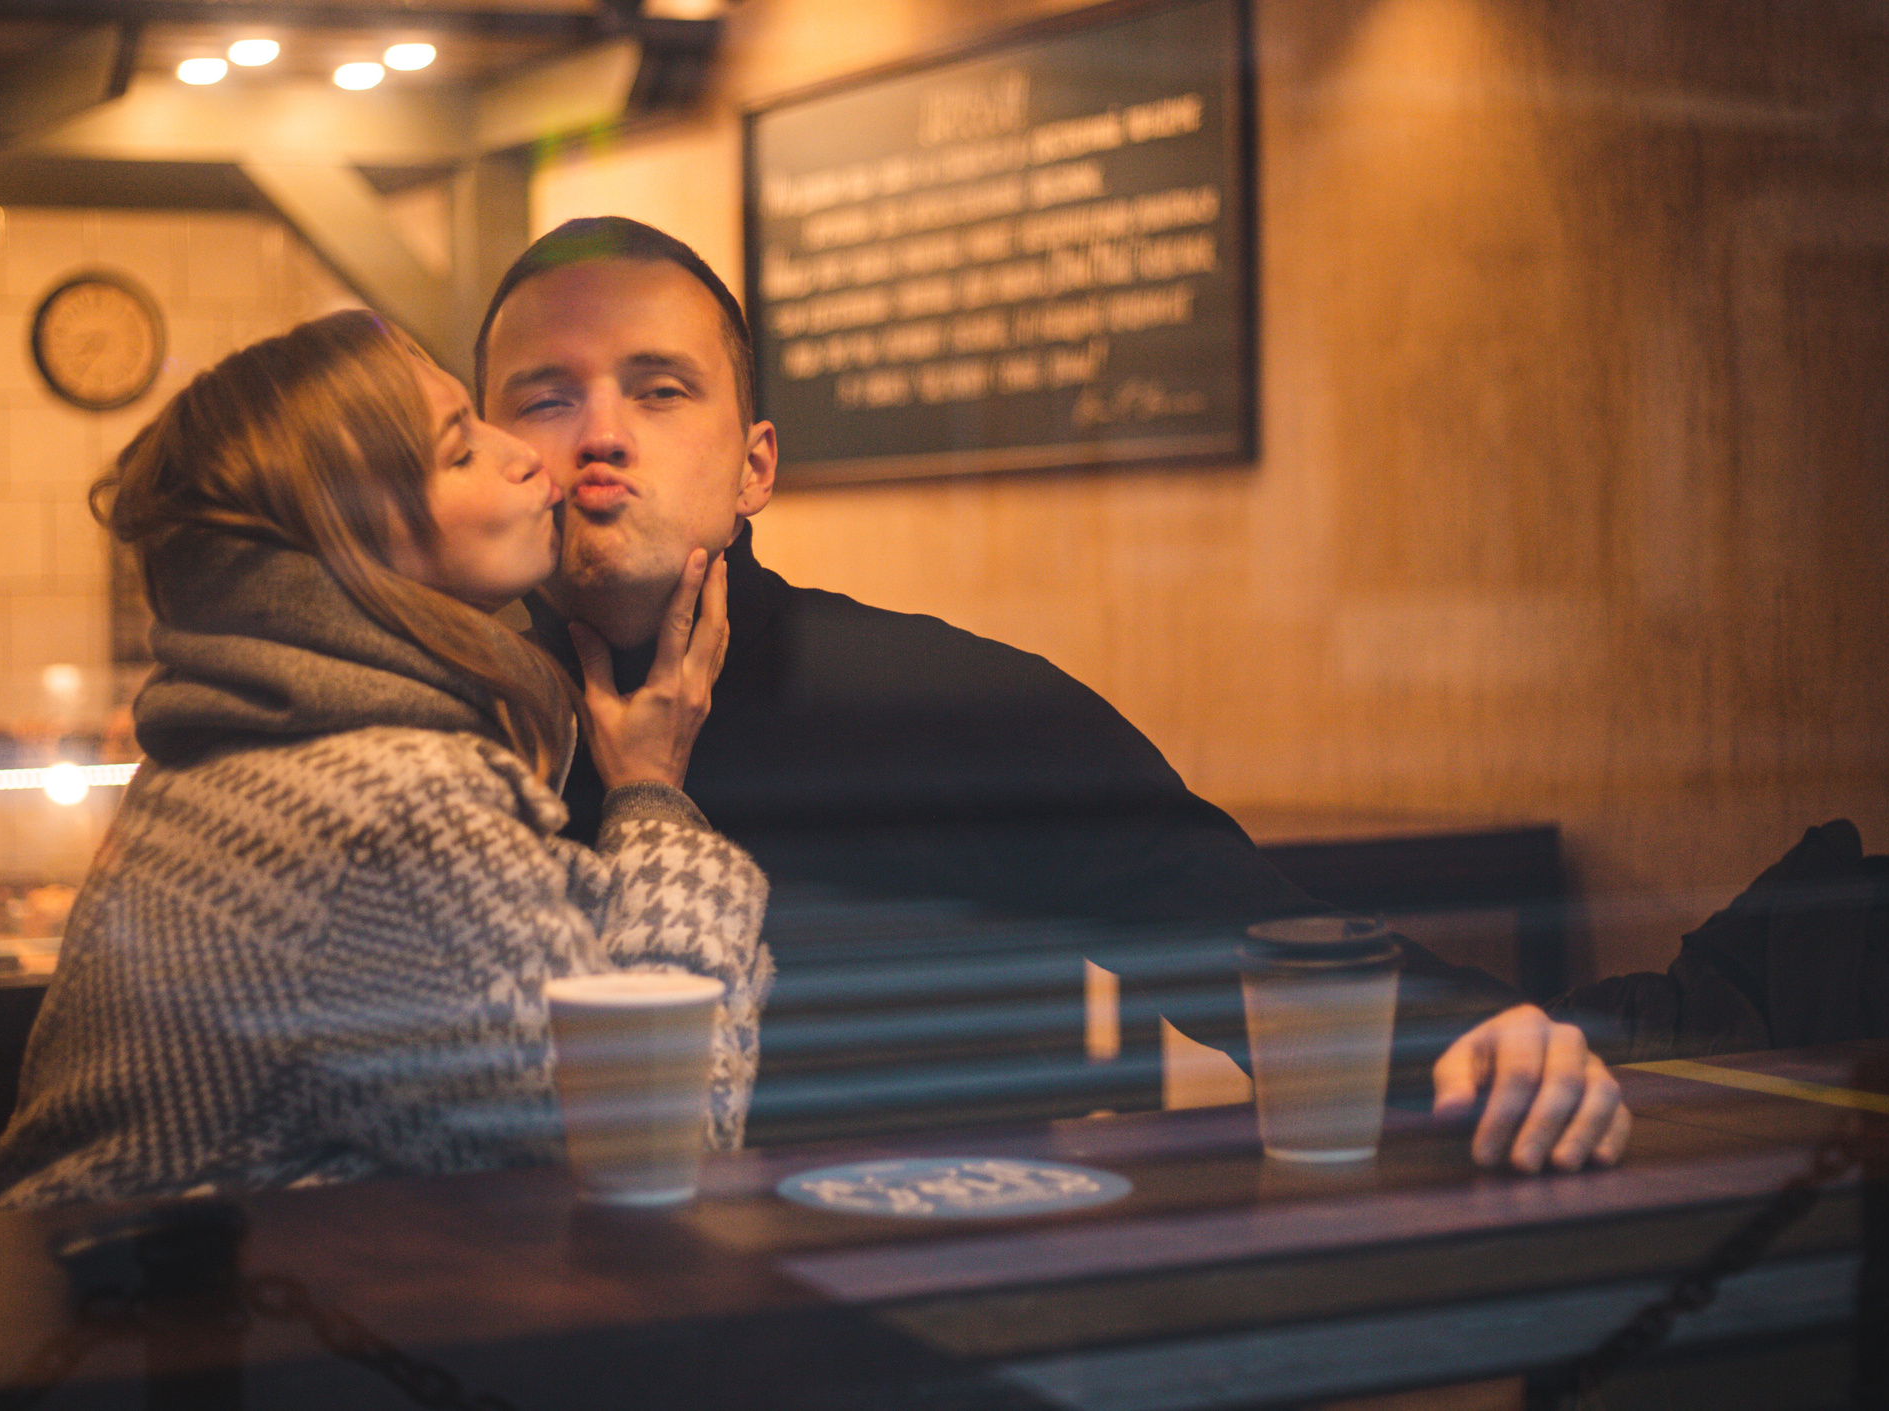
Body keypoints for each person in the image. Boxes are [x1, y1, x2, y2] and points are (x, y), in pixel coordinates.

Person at [476, 217, 1629, 1173]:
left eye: (660, 390)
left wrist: (1475, 1036)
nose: (603, 436)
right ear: (489, 456)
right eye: (546, 399)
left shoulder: (951, 707)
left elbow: (1237, 939)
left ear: (755, 465)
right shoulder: (437, 741)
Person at [0, 309, 767, 1211]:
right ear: (349, 546)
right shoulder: (401, 806)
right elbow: (643, 1152)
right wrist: (654, 804)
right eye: (460, 451)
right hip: (172, 1301)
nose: (526, 456)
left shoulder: (240, 752)